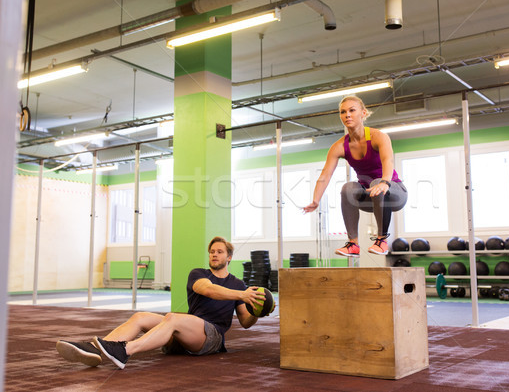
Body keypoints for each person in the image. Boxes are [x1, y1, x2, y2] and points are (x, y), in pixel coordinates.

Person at [56, 236, 272, 369]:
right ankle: (94, 350)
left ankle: (125, 350)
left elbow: (245, 321)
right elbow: (207, 290)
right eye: (212, 252)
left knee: (173, 318)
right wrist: (241, 294)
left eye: (219, 252)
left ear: (229, 257)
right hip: (185, 332)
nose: (214, 255)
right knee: (140, 316)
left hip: (211, 338)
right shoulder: (199, 274)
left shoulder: (238, 284)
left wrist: (257, 312)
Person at [303, 95, 408, 257]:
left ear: (363, 113)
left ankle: (381, 240)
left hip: (395, 193)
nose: (347, 115)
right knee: (348, 187)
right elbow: (325, 175)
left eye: (352, 110)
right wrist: (315, 200)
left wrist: (385, 182)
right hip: (370, 197)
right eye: (343, 112)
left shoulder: (378, 136)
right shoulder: (339, 146)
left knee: (377, 181)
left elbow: (388, 160)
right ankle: (353, 244)